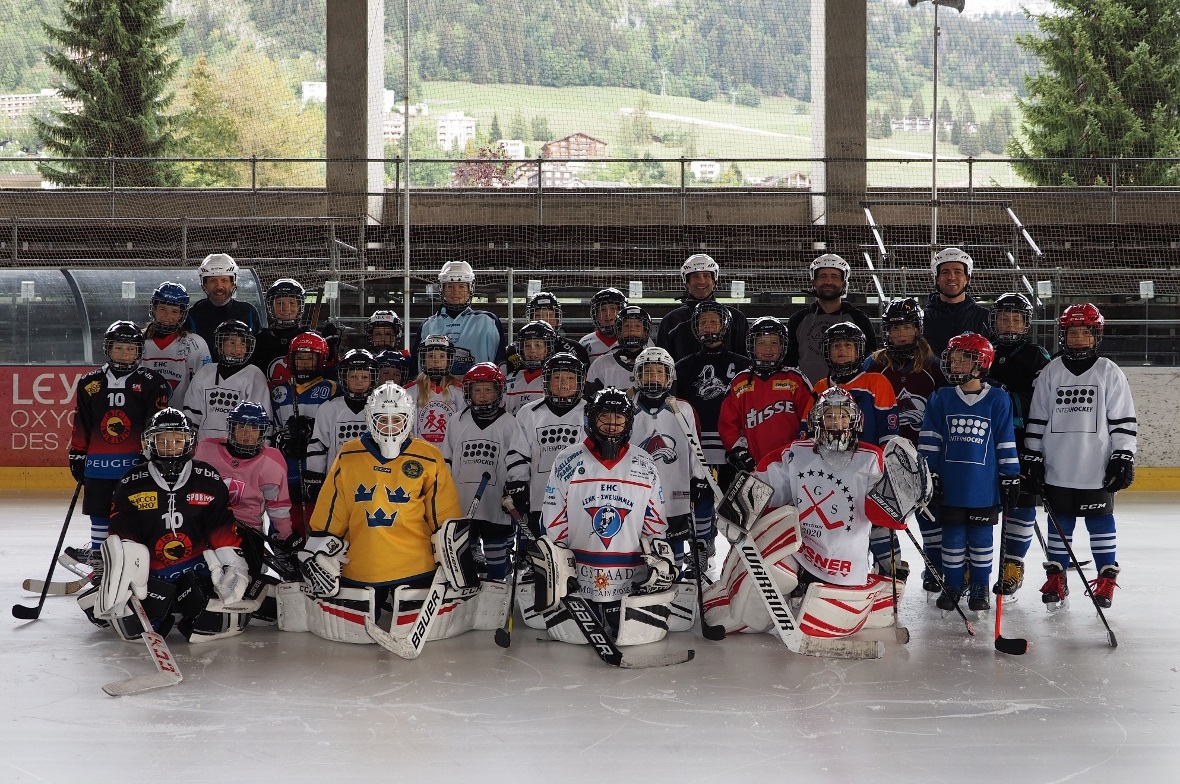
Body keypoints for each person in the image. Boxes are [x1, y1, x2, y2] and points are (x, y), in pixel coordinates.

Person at [703, 387, 907, 637]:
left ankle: (871, 594)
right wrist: (737, 510)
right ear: (817, 420)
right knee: (774, 573)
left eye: (842, 416)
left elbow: (884, 511)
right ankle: (740, 604)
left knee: (820, 620)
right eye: (829, 416)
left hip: (846, 563)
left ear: (854, 420)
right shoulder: (798, 452)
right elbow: (768, 480)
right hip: (802, 554)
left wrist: (903, 500)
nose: (836, 422)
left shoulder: (871, 457)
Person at [82, 408, 251, 644]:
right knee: (135, 630)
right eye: (163, 440)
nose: (171, 446)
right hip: (151, 572)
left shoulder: (208, 479)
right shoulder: (131, 482)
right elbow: (123, 535)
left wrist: (234, 567)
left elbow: (221, 528)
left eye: (177, 439)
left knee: (208, 625)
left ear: (189, 441)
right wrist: (126, 574)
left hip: (196, 568)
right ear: (150, 442)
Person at [297, 382, 462, 621]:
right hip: (362, 566)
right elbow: (331, 514)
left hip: (417, 567)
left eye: (397, 419)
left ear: (409, 419)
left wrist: (454, 562)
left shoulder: (429, 456)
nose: (390, 427)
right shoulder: (349, 454)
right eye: (382, 420)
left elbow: (444, 518)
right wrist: (315, 551)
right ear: (370, 419)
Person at [1024, 303, 1136, 609]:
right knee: (1060, 522)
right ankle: (1057, 577)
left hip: (1095, 466)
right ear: (1063, 335)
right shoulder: (1051, 371)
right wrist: (1032, 458)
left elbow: (1123, 419)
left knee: (1100, 520)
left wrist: (1123, 455)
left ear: (1095, 335)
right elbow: (1038, 418)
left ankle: (1105, 578)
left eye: (1085, 333)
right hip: (1057, 466)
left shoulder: (1108, 371)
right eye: (1072, 333)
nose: (1078, 339)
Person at [539, 387, 673, 639]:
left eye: (619, 419)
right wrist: (561, 566)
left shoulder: (644, 462)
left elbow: (655, 522)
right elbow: (554, 518)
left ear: (629, 422)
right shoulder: (567, 459)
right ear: (591, 418)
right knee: (576, 637)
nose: (612, 425)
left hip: (629, 580)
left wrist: (658, 560)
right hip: (578, 578)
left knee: (624, 631)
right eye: (605, 418)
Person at [919, 332, 1020, 612]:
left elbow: (1005, 441)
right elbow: (930, 440)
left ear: (981, 363)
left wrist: (1011, 475)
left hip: (983, 487)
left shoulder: (998, 399)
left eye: (964, 359)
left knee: (980, 539)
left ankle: (979, 585)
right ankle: (952, 583)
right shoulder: (941, 397)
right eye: (953, 359)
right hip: (951, 485)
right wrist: (931, 474)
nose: (956, 365)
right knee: (951, 537)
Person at [66, 321, 172, 573]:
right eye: (118, 348)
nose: (124, 354)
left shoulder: (152, 382)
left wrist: (154, 458)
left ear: (139, 352)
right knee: (99, 513)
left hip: (136, 465)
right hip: (99, 465)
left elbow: (154, 425)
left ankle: (136, 561)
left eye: (130, 349)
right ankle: (99, 560)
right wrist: (78, 453)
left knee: (138, 514)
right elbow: (82, 422)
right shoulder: (90, 382)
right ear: (107, 349)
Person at [864, 297, 947, 592]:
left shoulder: (934, 368)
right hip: (882, 457)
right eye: (895, 328)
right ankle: (890, 565)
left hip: (924, 456)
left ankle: (935, 566)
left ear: (918, 329)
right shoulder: (874, 365)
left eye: (907, 327)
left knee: (930, 515)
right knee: (883, 514)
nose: (900, 334)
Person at [986, 293, 1052, 596]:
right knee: (980, 504)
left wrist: (1007, 396)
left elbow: (1045, 401)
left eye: (1015, 318)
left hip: (1022, 442)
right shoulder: (982, 350)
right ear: (994, 321)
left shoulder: (1037, 356)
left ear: (1026, 323)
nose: (1008, 324)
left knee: (1022, 502)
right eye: (1003, 317)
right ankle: (976, 565)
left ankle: (1013, 563)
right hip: (983, 443)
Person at [442, 362, 530, 581]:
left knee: (496, 557)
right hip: (462, 502)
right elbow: (447, 459)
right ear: (468, 392)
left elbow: (517, 459)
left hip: (495, 503)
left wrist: (516, 488)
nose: (482, 395)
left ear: (498, 391)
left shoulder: (510, 423)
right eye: (477, 390)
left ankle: (497, 590)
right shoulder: (456, 421)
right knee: (466, 558)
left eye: (488, 389)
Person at [630, 347, 713, 570]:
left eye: (659, 372)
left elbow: (695, 447)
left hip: (674, 488)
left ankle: (675, 576)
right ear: (637, 376)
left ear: (669, 377)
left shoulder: (683, 409)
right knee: (639, 544)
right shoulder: (628, 409)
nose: (653, 377)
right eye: (647, 372)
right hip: (637, 489)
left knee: (674, 544)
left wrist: (698, 477)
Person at [194, 401, 296, 579]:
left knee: (248, 581)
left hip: (247, 532)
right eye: (241, 426)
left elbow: (278, 505)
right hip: (206, 526)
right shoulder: (205, 449)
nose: (247, 433)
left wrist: (285, 536)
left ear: (262, 431)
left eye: (254, 428)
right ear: (231, 428)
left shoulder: (272, 461)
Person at [718, 316, 813, 473]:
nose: (768, 348)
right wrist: (738, 451)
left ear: (783, 346)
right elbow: (727, 424)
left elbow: (809, 418)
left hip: (792, 464)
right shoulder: (740, 382)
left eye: (774, 343)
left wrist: (804, 449)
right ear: (752, 346)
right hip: (754, 465)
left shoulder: (795, 379)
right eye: (762, 343)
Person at [674, 300, 752, 492]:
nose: (707, 326)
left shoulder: (745, 366)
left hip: (735, 447)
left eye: (713, 322)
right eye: (703, 323)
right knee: (700, 508)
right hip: (696, 448)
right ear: (695, 327)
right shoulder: (682, 367)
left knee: (733, 510)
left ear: (725, 325)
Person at [272, 331, 339, 535]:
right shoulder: (279, 392)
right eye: (299, 357)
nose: (304, 363)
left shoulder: (333, 389)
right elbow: (271, 430)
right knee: (287, 517)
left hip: (319, 467)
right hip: (288, 466)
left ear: (321, 360)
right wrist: (281, 440)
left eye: (310, 357)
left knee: (317, 514)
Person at [512, 352, 587, 535]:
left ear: (580, 382)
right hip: (541, 498)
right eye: (557, 377)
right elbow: (518, 454)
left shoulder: (591, 412)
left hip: (583, 499)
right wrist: (518, 484)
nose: (563, 383)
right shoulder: (528, 413)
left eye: (570, 377)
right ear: (546, 380)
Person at [785, 254, 877, 386]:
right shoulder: (798, 320)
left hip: (850, 397)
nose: (828, 282)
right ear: (814, 281)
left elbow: (870, 362)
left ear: (844, 282)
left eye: (834, 276)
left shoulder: (859, 319)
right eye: (823, 276)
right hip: (806, 396)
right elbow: (789, 363)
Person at [303, 348, 378, 507]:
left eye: (364, 377)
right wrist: (314, 478)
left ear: (373, 378)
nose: (359, 382)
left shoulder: (381, 408)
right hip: (337, 484)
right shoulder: (329, 408)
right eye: (353, 376)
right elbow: (318, 446)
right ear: (344, 377)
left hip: (375, 484)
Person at [183, 319, 272, 443]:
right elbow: (192, 415)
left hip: (239, 447)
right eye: (232, 342)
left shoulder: (254, 374)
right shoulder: (205, 372)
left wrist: (261, 447)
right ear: (220, 345)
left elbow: (261, 418)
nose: (238, 348)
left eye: (243, 344)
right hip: (205, 445)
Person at [813, 323, 900, 448]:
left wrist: (882, 462)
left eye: (848, 345)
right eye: (836, 346)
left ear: (859, 350)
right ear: (828, 352)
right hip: (827, 461)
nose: (841, 350)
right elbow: (808, 429)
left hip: (867, 460)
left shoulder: (877, 382)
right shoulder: (821, 386)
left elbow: (889, 432)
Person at [416, 260, 506, 375]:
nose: (455, 292)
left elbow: (500, 365)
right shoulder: (428, 326)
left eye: (461, 286)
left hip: (478, 391)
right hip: (438, 392)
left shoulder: (488, 322)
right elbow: (418, 371)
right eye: (449, 286)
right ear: (441, 289)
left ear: (470, 289)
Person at [655, 254, 749, 361]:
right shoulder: (671, 321)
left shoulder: (736, 318)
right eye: (695, 276)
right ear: (686, 283)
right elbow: (662, 365)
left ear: (714, 282)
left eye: (706, 276)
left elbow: (745, 362)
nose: (701, 281)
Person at [141, 281, 211, 406]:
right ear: (154, 309)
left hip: (182, 419)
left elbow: (205, 385)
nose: (168, 316)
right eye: (163, 309)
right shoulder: (138, 341)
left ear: (181, 315)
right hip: (143, 416)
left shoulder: (195, 344)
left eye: (174, 311)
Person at [187, 253, 262, 361]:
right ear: (204, 285)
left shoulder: (248, 311)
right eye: (213, 280)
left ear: (233, 283)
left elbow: (257, 352)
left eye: (224, 280)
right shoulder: (192, 315)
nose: (219, 286)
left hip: (242, 375)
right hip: (203, 374)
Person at [923, 247, 993, 354]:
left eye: (958, 272)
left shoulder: (985, 318)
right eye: (945, 272)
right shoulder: (922, 320)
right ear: (937, 279)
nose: (951, 277)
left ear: (967, 279)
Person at [406, 334, 466, 446]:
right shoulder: (409, 391)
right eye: (431, 356)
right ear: (423, 360)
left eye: (442, 356)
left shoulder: (460, 391)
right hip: (421, 455)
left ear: (449, 360)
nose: (436, 361)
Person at [585, 304, 652, 399]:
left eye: (637, 326)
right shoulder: (601, 364)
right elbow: (591, 401)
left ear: (646, 332)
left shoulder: (658, 365)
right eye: (627, 325)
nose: (632, 329)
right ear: (619, 331)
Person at [252, 278, 306, 388]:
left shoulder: (310, 337)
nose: (286, 308)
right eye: (279, 303)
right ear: (271, 307)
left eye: (292, 303)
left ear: (300, 306)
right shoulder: (259, 340)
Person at [505, 319, 557, 414]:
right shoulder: (510, 379)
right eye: (527, 346)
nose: (532, 350)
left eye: (538, 345)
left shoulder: (555, 378)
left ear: (548, 348)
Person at [579, 287, 628, 362]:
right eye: (603, 310)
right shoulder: (585, 342)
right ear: (596, 315)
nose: (608, 314)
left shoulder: (640, 340)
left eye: (613, 309)